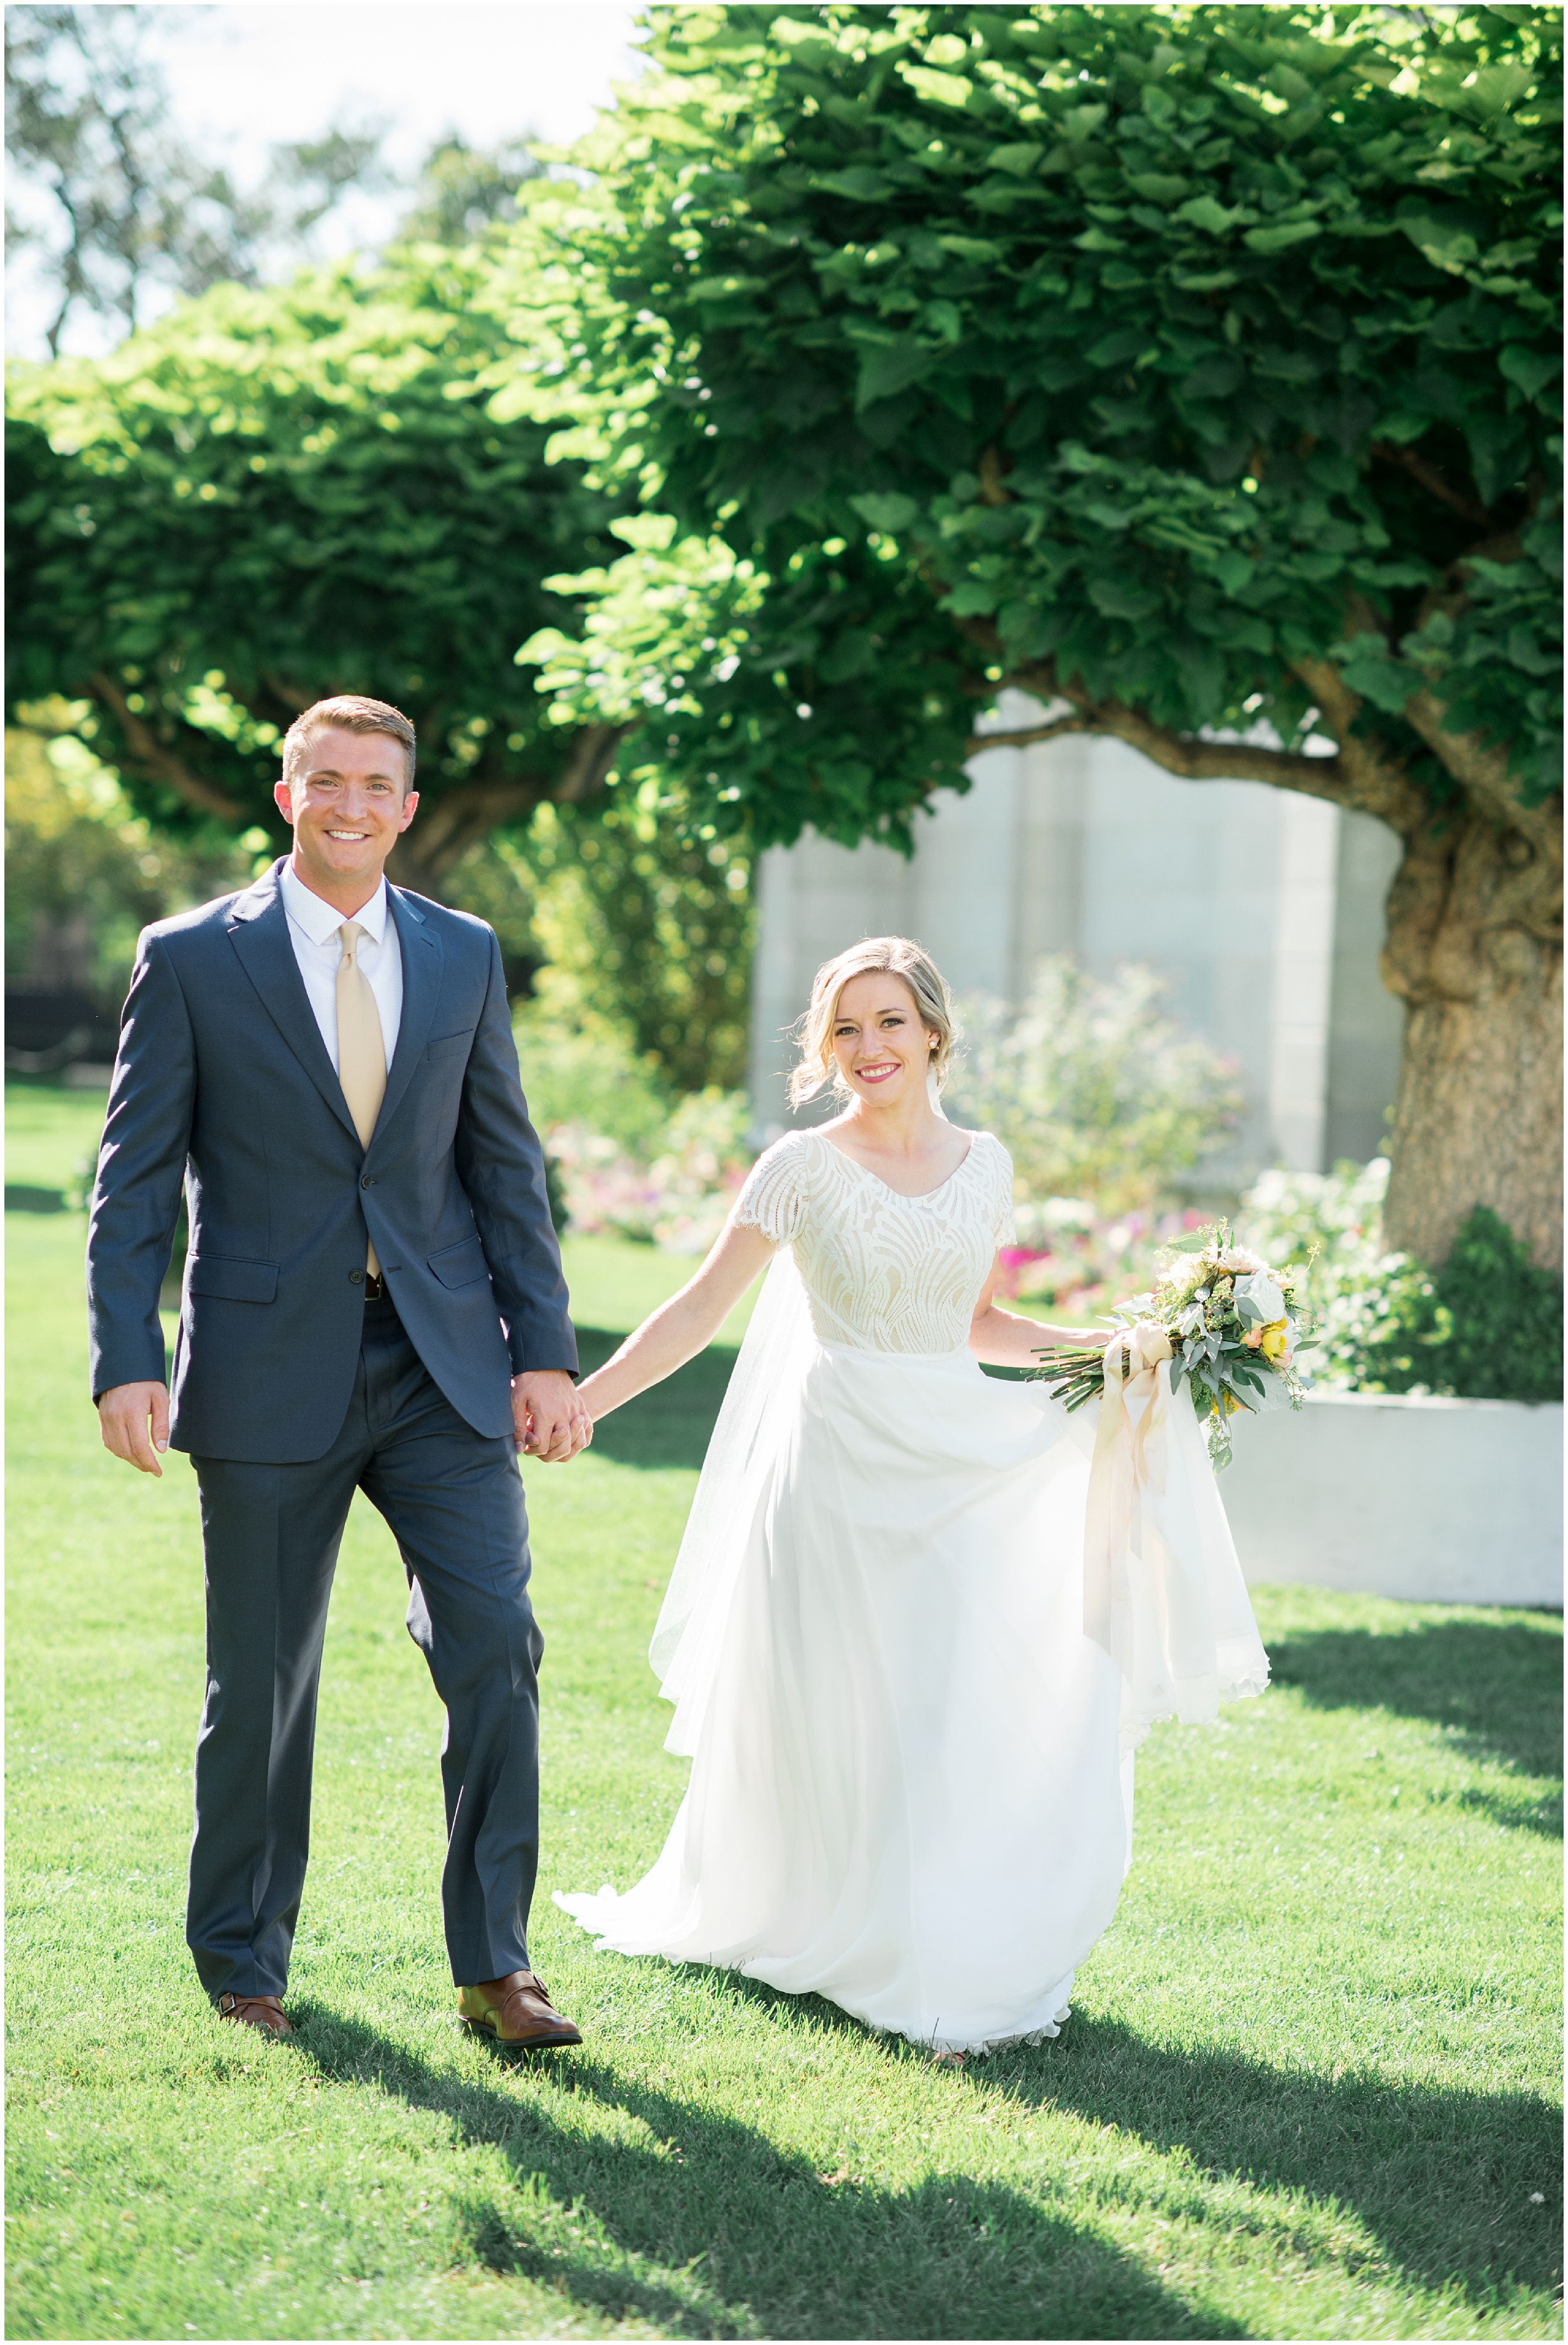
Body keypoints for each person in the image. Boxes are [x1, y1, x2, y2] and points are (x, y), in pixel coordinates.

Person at [556, 937, 1269, 2055]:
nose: (869, 1046)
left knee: (943, 1706)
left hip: (951, 1455)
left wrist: (1115, 1348)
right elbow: (699, 1310)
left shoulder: (986, 1162)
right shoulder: (796, 1166)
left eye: (890, 1021)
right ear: (823, 1047)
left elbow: (975, 1321)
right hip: (835, 1462)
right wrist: (586, 1402)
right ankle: (834, 1922)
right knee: (849, 1707)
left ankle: (936, 1933)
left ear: (934, 1031)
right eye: (846, 1027)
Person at [87, 694, 593, 2048]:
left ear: (409, 805)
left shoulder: (462, 952)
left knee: (494, 1642)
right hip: (262, 1363)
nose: (352, 803)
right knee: (260, 1681)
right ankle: (244, 1964)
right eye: (328, 781)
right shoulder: (193, 957)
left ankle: (497, 1963)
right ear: (286, 793)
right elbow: (132, 1181)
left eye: (378, 783)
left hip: (441, 1364)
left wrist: (542, 1353)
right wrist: (126, 1356)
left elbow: (504, 1167)